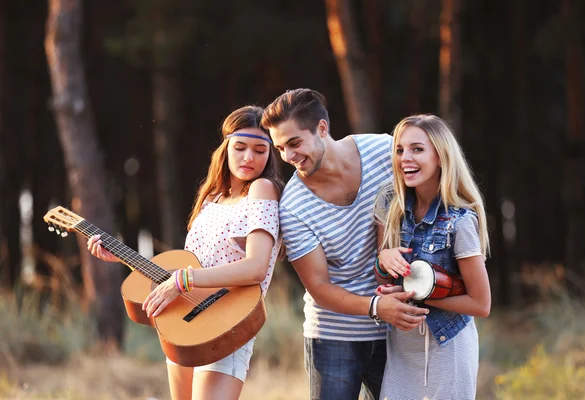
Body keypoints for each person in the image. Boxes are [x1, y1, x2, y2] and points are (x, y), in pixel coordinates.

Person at [87, 105, 284, 400]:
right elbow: (192, 266)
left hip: (226, 326)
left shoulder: (262, 190)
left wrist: (182, 281)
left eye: (259, 150)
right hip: (188, 326)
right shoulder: (212, 197)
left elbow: (256, 267)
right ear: (225, 148)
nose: (248, 158)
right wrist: (123, 258)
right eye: (240, 147)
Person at [261, 88, 429, 400]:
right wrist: (378, 307)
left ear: (322, 129)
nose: (288, 157)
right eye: (280, 148)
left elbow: (430, 196)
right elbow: (320, 287)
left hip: (397, 329)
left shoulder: (383, 151)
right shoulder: (294, 206)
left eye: (294, 143)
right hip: (333, 337)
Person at [373, 114, 491, 400]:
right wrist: (383, 259)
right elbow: (381, 275)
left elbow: (481, 303)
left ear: (440, 156)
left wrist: (414, 297)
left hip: (447, 346)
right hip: (401, 348)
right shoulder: (392, 206)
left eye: (417, 149)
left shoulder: (459, 221)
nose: (405, 158)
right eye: (400, 150)